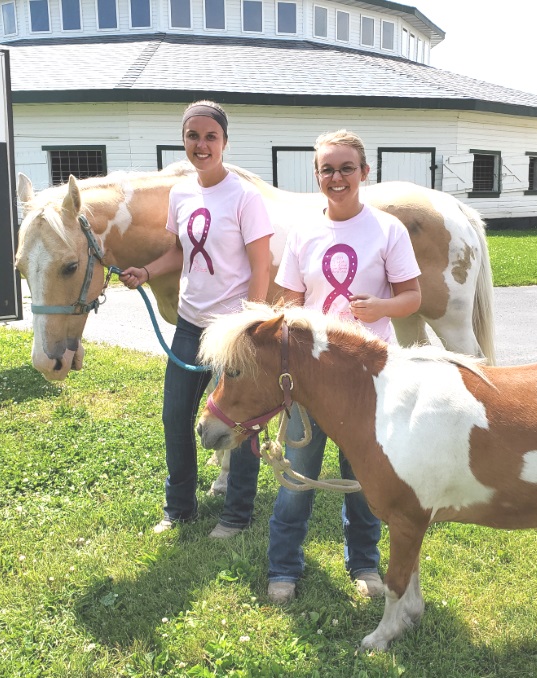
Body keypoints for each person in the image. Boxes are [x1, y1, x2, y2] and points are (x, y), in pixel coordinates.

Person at [266, 129, 422, 603]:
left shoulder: (387, 229)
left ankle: (365, 564)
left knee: (364, 482)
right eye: (327, 169)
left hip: (367, 382)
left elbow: (414, 297)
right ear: (317, 175)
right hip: (310, 381)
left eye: (346, 168)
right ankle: (284, 568)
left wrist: (380, 308)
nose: (337, 177)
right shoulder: (303, 233)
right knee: (296, 478)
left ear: (364, 173)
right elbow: (288, 302)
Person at [119, 101, 272, 538]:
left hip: (233, 330)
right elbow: (180, 250)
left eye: (210, 137)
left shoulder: (245, 197)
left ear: (224, 142)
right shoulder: (182, 192)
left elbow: (261, 266)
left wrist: (251, 325)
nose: (201, 145)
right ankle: (178, 508)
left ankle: (236, 515)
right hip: (189, 324)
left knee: (242, 423)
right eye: (193, 136)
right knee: (175, 416)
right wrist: (146, 272)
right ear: (184, 140)